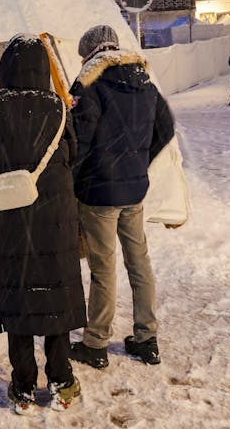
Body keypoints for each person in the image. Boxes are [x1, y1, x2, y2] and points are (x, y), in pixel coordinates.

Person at [0, 34, 85, 415]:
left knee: (18, 294)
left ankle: (23, 387)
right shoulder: (59, 106)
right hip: (55, 218)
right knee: (54, 293)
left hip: (10, 216)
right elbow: (73, 155)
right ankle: (61, 380)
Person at [67, 25, 175, 369]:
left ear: (90, 53)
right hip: (133, 189)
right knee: (139, 262)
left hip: (98, 192)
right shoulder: (144, 81)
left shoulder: (89, 84)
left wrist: (72, 179)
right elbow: (166, 127)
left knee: (103, 268)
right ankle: (147, 339)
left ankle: (96, 343)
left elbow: (79, 142)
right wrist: (139, 159)